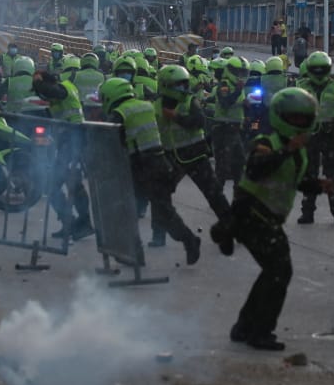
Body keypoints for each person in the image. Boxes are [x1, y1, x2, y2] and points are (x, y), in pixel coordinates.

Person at [209, 87, 332, 351]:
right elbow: (257, 169)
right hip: (252, 213)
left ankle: (244, 326)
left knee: (273, 272)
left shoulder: (297, 150)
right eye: (294, 119)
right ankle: (260, 331)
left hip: (268, 217)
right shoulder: (266, 142)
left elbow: (291, 181)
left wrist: (318, 185)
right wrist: (288, 149)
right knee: (279, 271)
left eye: (304, 119)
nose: (300, 124)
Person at [100, 78, 201, 264]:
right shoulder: (146, 105)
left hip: (139, 166)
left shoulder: (120, 113)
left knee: (126, 209)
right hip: (159, 162)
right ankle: (189, 240)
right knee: (164, 211)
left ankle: (134, 254)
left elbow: (109, 139)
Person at [154, 64, 230, 223]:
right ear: (165, 85)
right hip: (172, 157)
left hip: (196, 156)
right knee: (160, 194)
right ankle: (158, 235)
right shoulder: (156, 105)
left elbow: (199, 121)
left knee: (214, 193)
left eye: (184, 83)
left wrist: (175, 116)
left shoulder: (190, 100)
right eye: (178, 84)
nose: (183, 88)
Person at [33, 57, 93, 242]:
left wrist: (38, 82)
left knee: (60, 184)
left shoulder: (63, 87)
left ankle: (80, 223)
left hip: (73, 139)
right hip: (69, 140)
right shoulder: (62, 90)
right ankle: (74, 223)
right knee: (69, 183)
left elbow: (51, 92)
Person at [295, 51, 334, 224]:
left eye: (321, 69)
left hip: (330, 137)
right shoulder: (301, 86)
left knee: (333, 176)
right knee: (309, 176)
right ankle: (307, 212)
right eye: (315, 69)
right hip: (309, 137)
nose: (318, 72)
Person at [210, 56, 249, 190]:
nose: (240, 76)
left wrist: (246, 106)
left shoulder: (239, 87)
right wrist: (238, 91)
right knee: (222, 166)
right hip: (223, 129)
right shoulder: (224, 85)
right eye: (237, 72)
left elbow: (238, 106)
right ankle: (217, 197)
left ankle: (239, 197)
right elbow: (225, 103)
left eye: (243, 73)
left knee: (239, 163)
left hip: (234, 129)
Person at [73, 51, 106, 121]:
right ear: (96, 63)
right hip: (97, 109)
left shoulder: (75, 75)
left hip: (81, 107)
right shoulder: (102, 76)